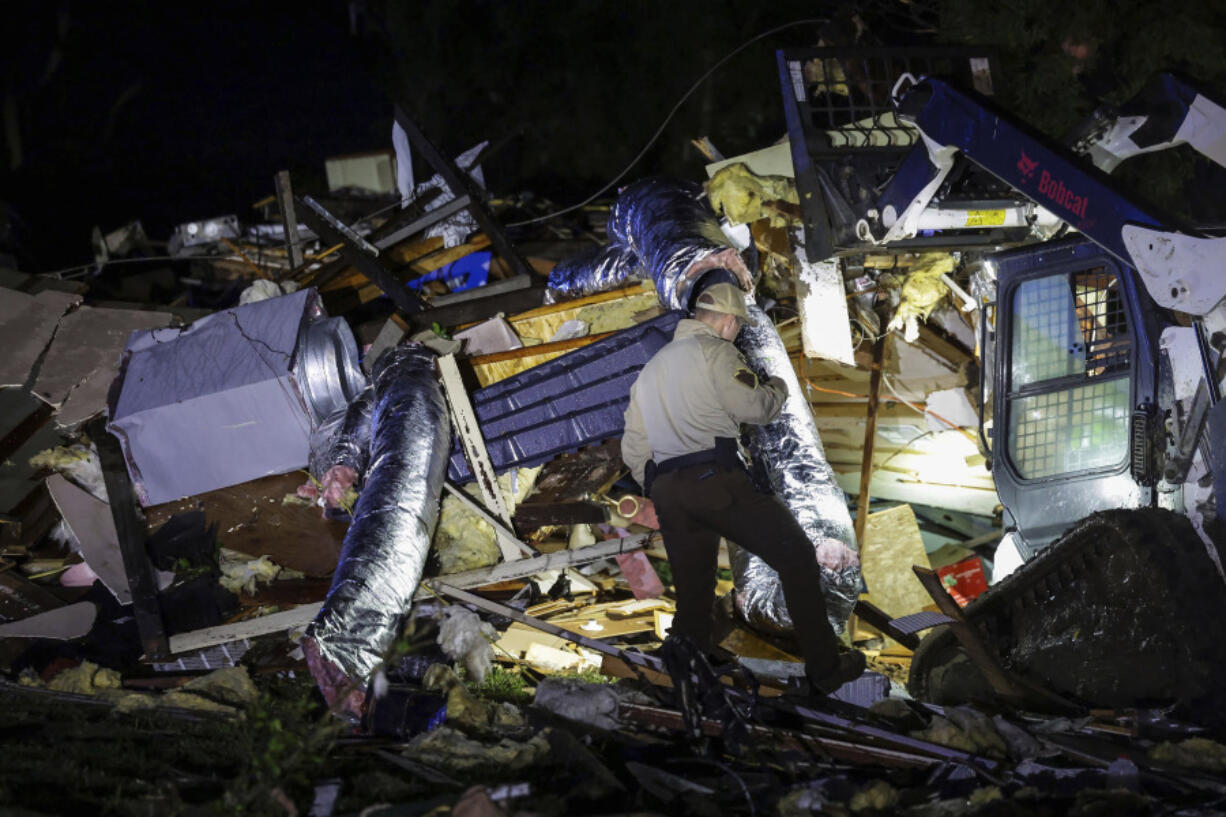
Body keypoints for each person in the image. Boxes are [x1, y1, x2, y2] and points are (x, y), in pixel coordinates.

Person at [621, 281, 865, 695]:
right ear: (729, 321)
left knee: (694, 594)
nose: (736, 332)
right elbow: (753, 407)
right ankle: (825, 667)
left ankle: (679, 672)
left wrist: (661, 487)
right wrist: (777, 387)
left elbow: (633, 448)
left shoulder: (651, 370)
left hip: (667, 491)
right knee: (795, 557)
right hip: (715, 480)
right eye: (737, 326)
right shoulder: (716, 352)